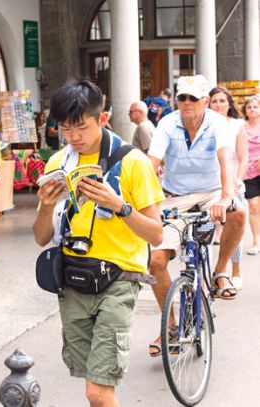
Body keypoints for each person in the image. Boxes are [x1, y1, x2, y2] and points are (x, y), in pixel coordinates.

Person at [33, 78, 164, 406]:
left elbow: (156, 234)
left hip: (119, 279)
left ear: (102, 119)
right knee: (95, 389)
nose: (73, 137)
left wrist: (118, 205)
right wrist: (47, 205)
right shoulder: (57, 165)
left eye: (81, 128)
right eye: (65, 129)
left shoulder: (132, 162)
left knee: (98, 390)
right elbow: (40, 238)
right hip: (73, 278)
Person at [147, 75, 246, 356]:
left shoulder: (216, 122)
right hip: (175, 196)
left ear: (205, 102)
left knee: (237, 213)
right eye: (182, 98)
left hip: (212, 190)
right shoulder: (167, 123)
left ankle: (220, 272)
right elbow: (151, 164)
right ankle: (170, 327)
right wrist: (143, 198)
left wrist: (226, 197)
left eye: (193, 98)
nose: (187, 103)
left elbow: (225, 159)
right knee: (155, 261)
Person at [208, 86, 248, 289]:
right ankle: (207, 275)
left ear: (229, 104)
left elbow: (242, 159)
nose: (218, 105)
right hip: (208, 185)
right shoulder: (204, 125)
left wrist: (236, 182)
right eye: (214, 101)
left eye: (222, 101)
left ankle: (235, 270)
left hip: (232, 183)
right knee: (205, 230)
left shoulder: (236, 125)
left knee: (233, 224)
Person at [242, 95, 260, 255]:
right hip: (249, 172)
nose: (252, 109)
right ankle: (256, 241)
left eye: (255, 106)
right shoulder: (241, 127)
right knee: (254, 206)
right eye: (249, 107)